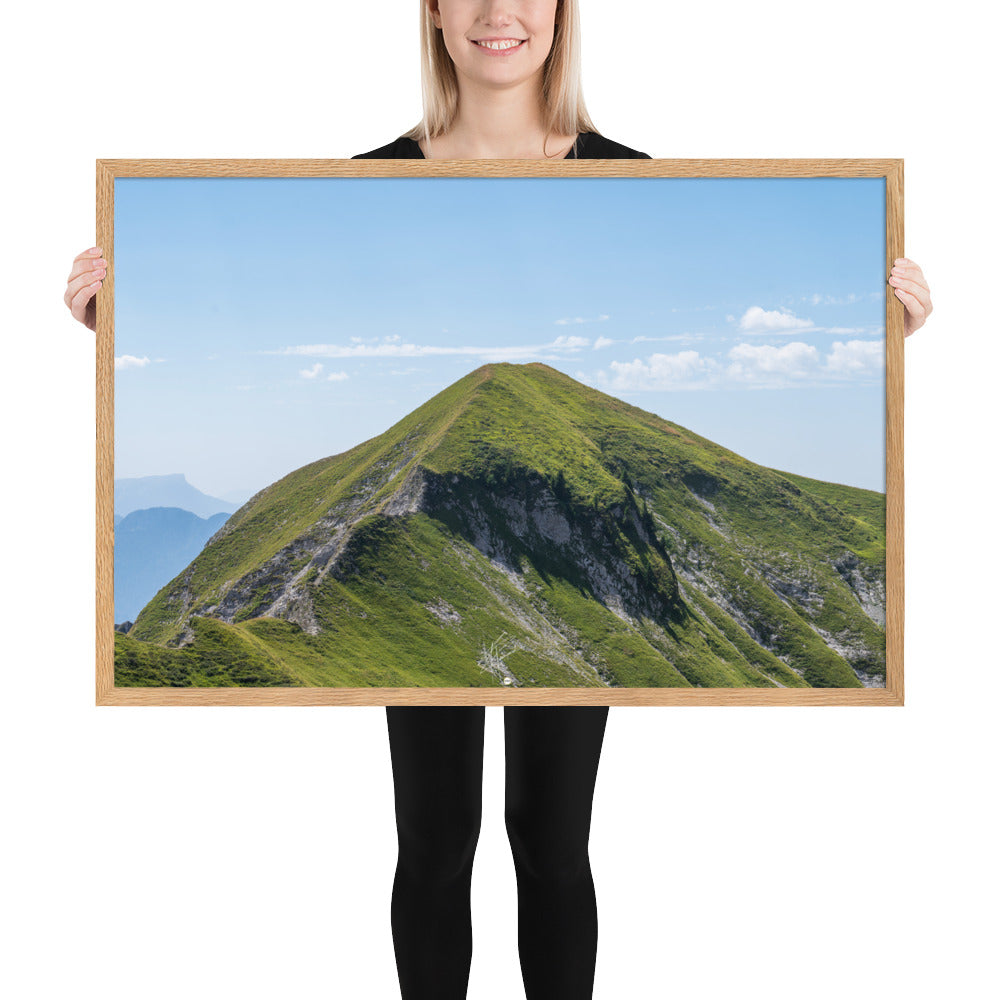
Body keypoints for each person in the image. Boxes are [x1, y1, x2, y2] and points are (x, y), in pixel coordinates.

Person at [63, 3, 934, 998]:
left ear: (564, 14)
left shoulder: (628, 175)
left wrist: (887, 338)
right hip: (422, 613)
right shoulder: (370, 176)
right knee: (435, 843)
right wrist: (107, 319)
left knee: (551, 842)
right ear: (430, 14)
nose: (496, 13)